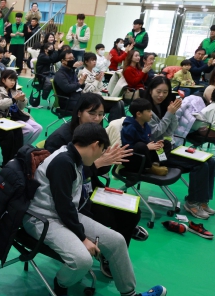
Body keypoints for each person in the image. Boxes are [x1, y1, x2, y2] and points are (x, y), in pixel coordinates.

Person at [25, 122, 167, 296]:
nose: (101, 155)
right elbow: (63, 207)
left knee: (117, 241)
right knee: (82, 259)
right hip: (43, 219)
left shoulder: (74, 157)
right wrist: (83, 238)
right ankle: (59, 287)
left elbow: (69, 206)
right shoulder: (63, 162)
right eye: (102, 150)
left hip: (64, 215)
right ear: (95, 145)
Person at [45, 93, 147, 253]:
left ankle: (113, 249)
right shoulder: (60, 138)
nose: (97, 118)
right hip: (71, 196)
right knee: (116, 218)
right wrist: (97, 163)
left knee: (133, 212)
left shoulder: (96, 133)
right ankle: (112, 244)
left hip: (90, 187)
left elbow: (100, 170)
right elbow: (58, 180)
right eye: (92, 113)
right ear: (79, 112)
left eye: (101, 114)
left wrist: (109, 160)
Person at [142, 76, 215, 220]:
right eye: (158, 91)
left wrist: (173, 113)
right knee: (200, 165)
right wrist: (169, 114)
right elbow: (156, 133)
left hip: (170, 146)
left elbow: (171, 130)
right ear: (150, 90)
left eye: (165, 92)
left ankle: (202, 200)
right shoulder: (145, 109)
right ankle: (192, 202)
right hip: (156, 152)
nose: (161, 95)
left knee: (210, 161)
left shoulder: (165, 105)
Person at [120, 98, 169, 176]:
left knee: (166, 143)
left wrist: (156, 144)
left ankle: (156, 164)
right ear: (139, 114)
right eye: (149, 111)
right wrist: (147, 147)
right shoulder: (129, 128)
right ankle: (150, 168)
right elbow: (127, 149)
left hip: (145, 155)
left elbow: (146, 141)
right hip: (133, 159)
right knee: (140, 146)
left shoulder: (146, 125)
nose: (151, 114)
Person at [0, 69, 42, 145]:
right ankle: (18, 148)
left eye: (14, 80)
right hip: (7, 116)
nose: (13, 82)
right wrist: (13, 99)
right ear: (3, 80)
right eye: (10, 80)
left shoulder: (15, 90)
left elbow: (21, 107)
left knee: (38, 128)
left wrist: (22, 100)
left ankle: (21, 147)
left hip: (18, 115)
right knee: (29, 129)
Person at [79, 51, 125, 120]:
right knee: (116, 104)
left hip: (98, 97)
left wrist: (100, 80)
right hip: (90, 99)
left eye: (95, 60)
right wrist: (97, 81)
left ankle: (121, 123)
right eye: (92, 60)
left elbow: (100, 88)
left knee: (121, 102)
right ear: (86, 62)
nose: (94, 62)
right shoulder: (83, 74)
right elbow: (89, 91)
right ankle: (112, 124)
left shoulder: (94, 72)